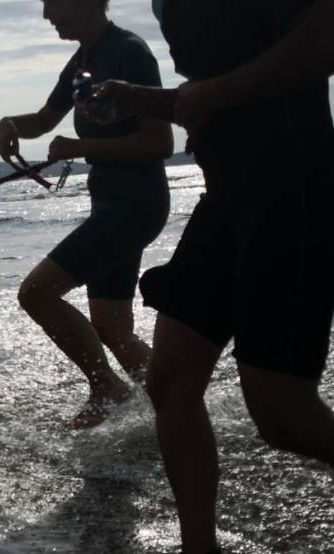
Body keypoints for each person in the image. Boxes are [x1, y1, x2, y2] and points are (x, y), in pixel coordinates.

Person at [86, 0, 334, 551]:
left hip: (294, 191)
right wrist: (138, 99)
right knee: (171, 380)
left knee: (283, 416)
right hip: (226, 199)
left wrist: (212, 95)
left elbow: (323, 43)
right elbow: (204, 93)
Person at [0, 0, 172, 428]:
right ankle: (174, 401)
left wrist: (80, 147)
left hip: (136, 203)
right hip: (110, 203)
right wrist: (10, 124)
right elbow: (43, 119)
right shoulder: (81, 61)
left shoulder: (129, 51)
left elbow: (159, 143)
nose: (46, 16)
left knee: (35, 293)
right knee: (112, 327)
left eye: (54, 5)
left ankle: (106, 387)